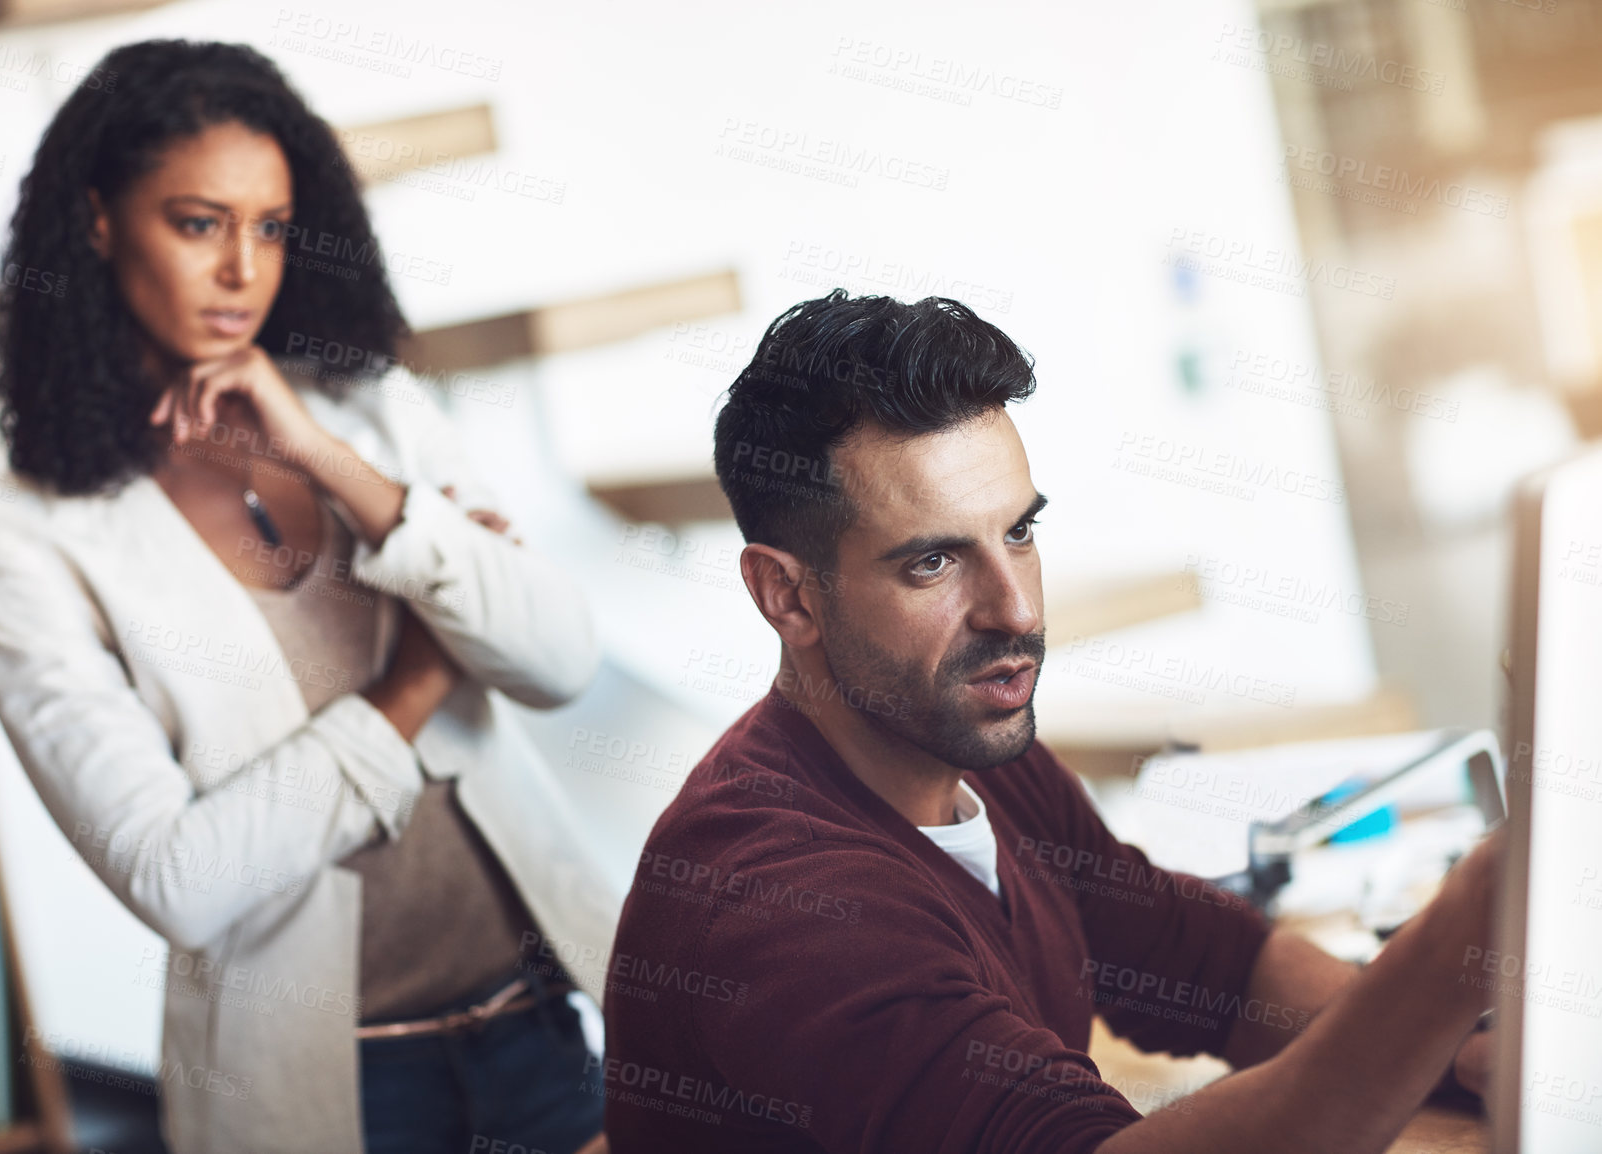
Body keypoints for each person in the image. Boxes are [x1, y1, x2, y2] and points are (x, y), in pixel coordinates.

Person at [598, 289, 1499, 1153]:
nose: (1015, 611)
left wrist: (1461, 1052)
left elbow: (1215, 969)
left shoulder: (970, 746)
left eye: (1019, 535)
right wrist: (1464, 930)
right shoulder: (783, 908)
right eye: (934, 563)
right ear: (787, 595)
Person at [0, 39, 614, 1154]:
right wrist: (409, 685)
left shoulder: (370, 409)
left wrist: (325, 455)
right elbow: (180, 876)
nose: (242, 271)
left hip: (538, 1026)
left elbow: (556, 659)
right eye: (198, 222)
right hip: (334, 1090)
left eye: (269, 226)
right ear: (99, 222)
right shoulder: (16, 545)